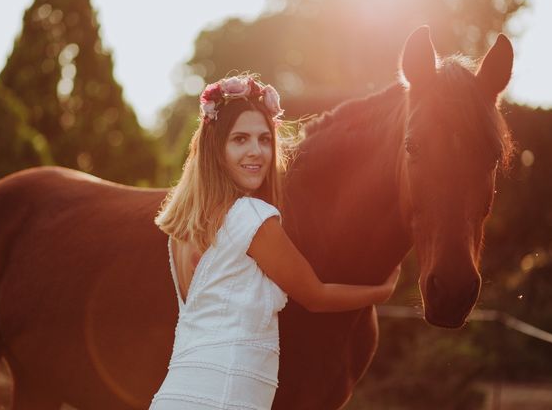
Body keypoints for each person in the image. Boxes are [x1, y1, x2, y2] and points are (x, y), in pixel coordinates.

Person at [150, 75, 400, 409]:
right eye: (240, 139)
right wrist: (380, 292)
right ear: (215, 148)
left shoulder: (187, 228)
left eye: (265, 140)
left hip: (178, 396)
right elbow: (315, 295)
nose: (256, 151)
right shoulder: (252, 217)